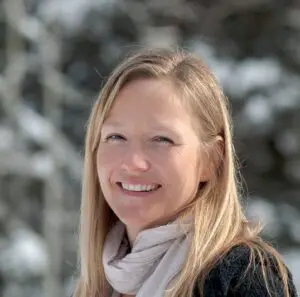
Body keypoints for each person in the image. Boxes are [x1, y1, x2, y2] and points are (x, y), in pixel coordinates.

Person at [73, 48, 298, 297]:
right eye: (116, 137)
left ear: (212, 158)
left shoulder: (244, 281)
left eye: (161, 139)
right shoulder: (97, 287)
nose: (134, 162)